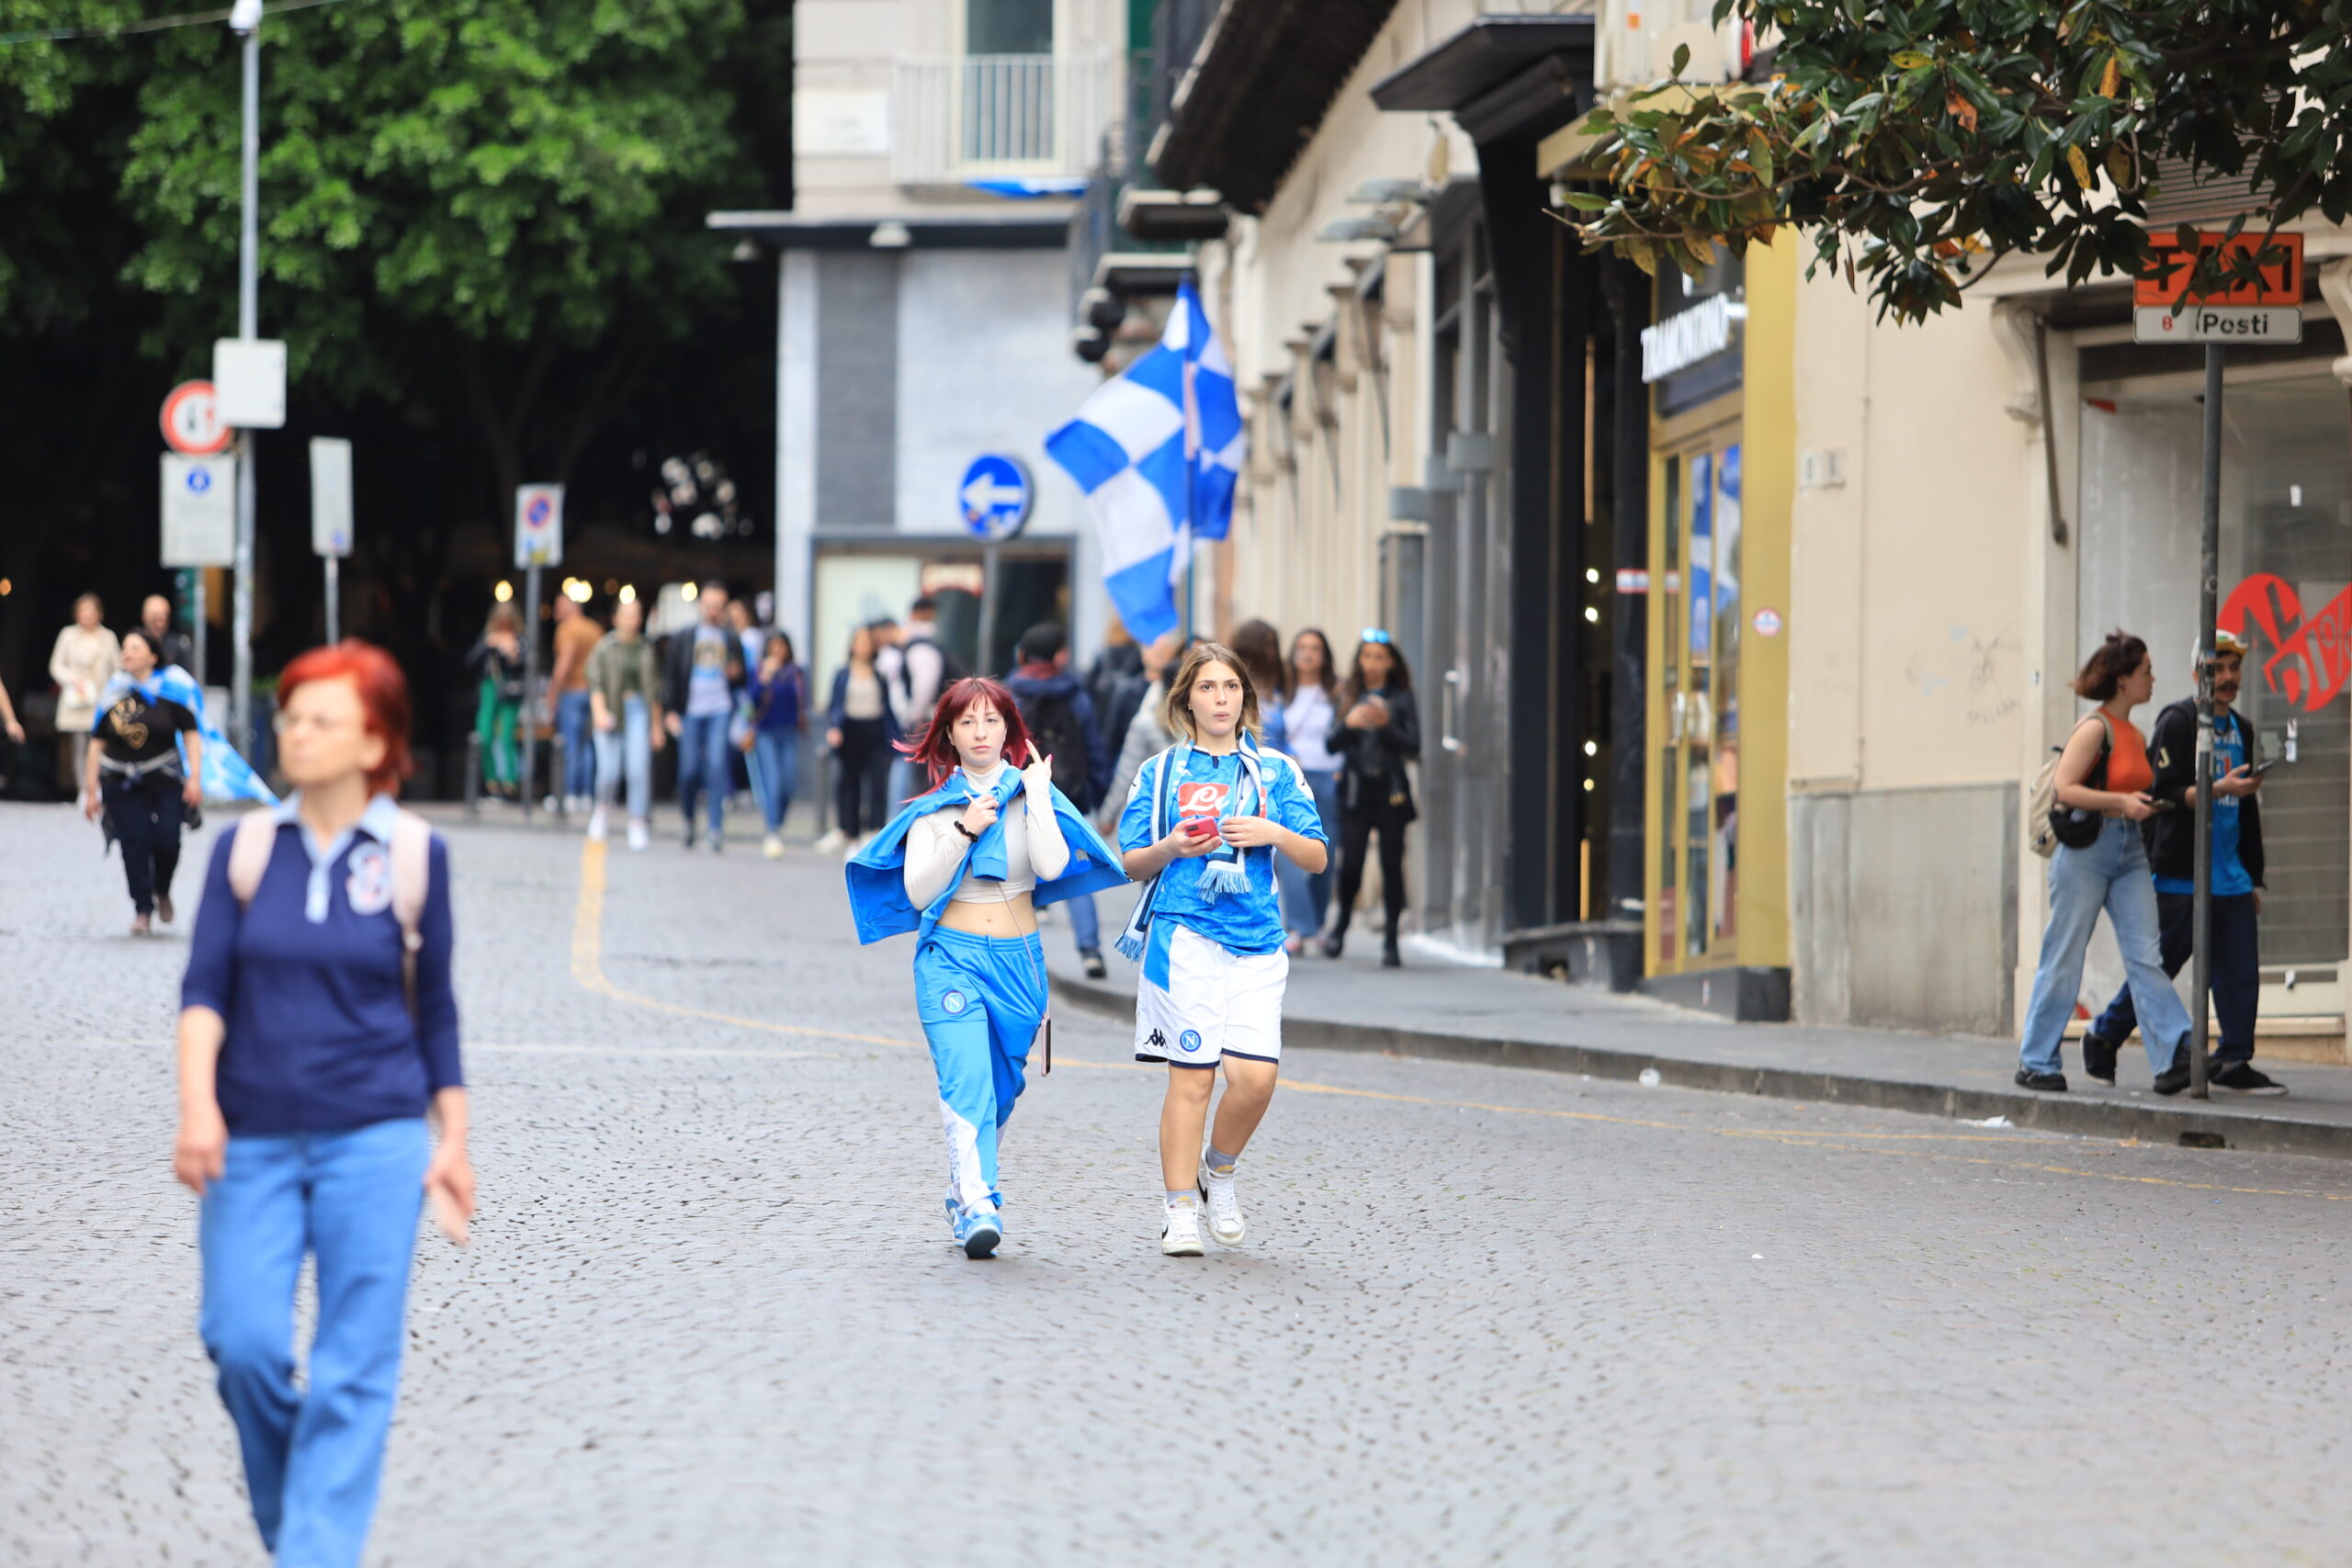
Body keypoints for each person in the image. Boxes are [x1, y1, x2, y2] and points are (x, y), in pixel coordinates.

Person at [175, 639, 473, 1568]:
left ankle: (312, 1554)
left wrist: (452, 1139)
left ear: (375, 741)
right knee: (243, 1340)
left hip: (375, 1141)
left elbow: (438, 1010)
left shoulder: (417, 856)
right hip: (251, 1139)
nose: (296, 734)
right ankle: (297, 1529)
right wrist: (197, 1106)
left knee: (353, 1368)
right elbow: (204, 991)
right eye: (291, 717)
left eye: (321, 720)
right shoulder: (246, 849)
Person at [843, 677, 1126, 1257]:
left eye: (992, 721)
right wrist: (965, 828)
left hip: (1021, 965)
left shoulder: (1031, 792)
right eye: (968, 722)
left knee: (1002, 1088)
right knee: (967, 1078)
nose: (980, 732)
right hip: (951, 959)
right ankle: (978, 1202)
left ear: (1010, 730)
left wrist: (1041, 794)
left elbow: (1050, 866)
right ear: (949, 733)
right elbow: (920, 891)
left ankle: (961, 1186)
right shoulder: (934, 810)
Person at [1117, 642, 1329, 1258]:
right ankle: (1179, 1207)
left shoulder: (1276, 771)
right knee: (1193, 1078)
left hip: (1259, 940)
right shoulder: (1161, 772)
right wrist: (1171, 847)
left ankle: (1220, 1170)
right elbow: (1131, 861)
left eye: (1230, 688)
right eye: (1207, 688)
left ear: (1245, 698)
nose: (1220, 698)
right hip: (1184, 937)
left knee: (1256, 1080)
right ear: (1186, 699)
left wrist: (1272, 832)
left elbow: (1316, 857)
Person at [2077, 631, 2284, 1095]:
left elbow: (2245, 810)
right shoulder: (2179, 720)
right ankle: (2105, 1034)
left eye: (2234, 669)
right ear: (2199, 674)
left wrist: (2251, 875)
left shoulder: (2243, 729)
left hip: (2231, 874)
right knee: (2161, 966)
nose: (2228, 678)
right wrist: (2218, 789)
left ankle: (2233, 1058)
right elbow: (2163, 795)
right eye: (2218, 669)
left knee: (2239, 970)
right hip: (2182, 872)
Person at [2015, 631, 2199, 1095]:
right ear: (2122, 681)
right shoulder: (2094, 728)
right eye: (2145, 672)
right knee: (2064, 955)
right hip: (2086, 851)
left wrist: (2146, 805)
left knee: (2146, 955)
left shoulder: (2136, 733)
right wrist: (2120, 800)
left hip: (2130, 848)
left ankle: (2176, 1053)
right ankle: (2037, 1061)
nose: (2152, 680)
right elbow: (2063, 789)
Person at [1004, 621, 1114, 977]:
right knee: (1075, 870)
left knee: (1015, 875)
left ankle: (1017, 957)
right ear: (1058, 655)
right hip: (1068, 794)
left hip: (1020, 792)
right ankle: (1090, 950)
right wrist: (1097, 793)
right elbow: (1094, 748)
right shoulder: (1075, 694)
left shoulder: (1010, 694)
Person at [83, 627, 204, 935]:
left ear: (152, 655)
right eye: (125, 648)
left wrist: (195, 779)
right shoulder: (114, 692)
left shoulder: (174, 690)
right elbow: (96, 743)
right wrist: (90, 789)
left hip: (165, 776)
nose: (127, 654)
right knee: (133, 842)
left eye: (135, 648)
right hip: (119, 778)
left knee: (167, 839)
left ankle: (161, 888)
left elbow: (191, 736)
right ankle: (142, 909)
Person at [1323, 630, 1420, 968]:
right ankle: (1341, 924)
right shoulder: (1348, 694)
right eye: (1367, 656)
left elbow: (1414, 747)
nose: (1373, 663)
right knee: (1351, 864)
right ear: (1359, 660)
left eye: (1380, 657)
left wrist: (1385, 725)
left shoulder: (1402, 697)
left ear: (1390, 661)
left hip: (1391, 791)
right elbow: (1330, 744)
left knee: (1392, 865)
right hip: (1354, 791)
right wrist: (1350, 723)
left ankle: (1392, 937)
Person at [1274, 628, 1344, 954]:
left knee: (1323, 853)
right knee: (1289, 853)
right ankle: (1299, 926)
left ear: (1325, 655)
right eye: (1301, 647)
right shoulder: (1281, 692)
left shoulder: (1336, 693)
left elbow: (1345, 735)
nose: (1307, 653)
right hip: (1290, 778)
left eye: (1315, 648)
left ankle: (1316, 923)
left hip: (1328, 778)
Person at [662, 582, 746, 851]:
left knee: (717, 766)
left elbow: (742, 676)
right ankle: (688, 819)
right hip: (690, 711)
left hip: (719, 709)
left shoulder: (731, 638)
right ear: (701, 605)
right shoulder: (684, 637)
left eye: (718, 606)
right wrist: (670, 711)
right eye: (709, 605)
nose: (713, 611)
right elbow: (671, 677)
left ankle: (715, 828)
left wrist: (735, 675)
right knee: (688, 770)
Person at [585, 596, 665, 851]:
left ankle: (637, 821)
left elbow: (653, 690)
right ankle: (602, 810)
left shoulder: (645, 648)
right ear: (616, 617)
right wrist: (599, 712)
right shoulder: (606, 647)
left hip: (638, 710)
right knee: (609, 771)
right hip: (611, 710)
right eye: (628, 614)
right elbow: (595, 681)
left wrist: (656, 726)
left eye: (637, 613)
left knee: (638, 769)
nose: (633, 619)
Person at [822, 623, 899, 854]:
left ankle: (874, 831)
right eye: (860, 641)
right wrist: (834, 728)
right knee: (849, 783)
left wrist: (897, 737)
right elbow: (834, 706)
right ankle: (851, 834)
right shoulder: (843, 674)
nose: (864, 646)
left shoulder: (880, 675)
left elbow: (887, 709)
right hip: (851, 730)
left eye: (868, 642)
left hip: (875, 730)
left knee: (877, 783)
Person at [884, 596, 965, 806]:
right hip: (931, 718)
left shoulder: (920, 647)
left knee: (924, 779)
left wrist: (915, 716)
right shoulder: (925, 644)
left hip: (929, 720)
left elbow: (924, 684)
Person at [1100, 630, 1185, 828]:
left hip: (1154, 811)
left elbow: (1126, 769)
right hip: (1169, 810)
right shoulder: (1130, 695)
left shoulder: (1148, 719)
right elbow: (1115, 750)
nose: (1157, 652)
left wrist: (1107, 815)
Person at [50, 592, 121, 793]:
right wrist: (72, 680)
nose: (86, 615)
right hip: (76, 698)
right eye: (82, 611)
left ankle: (99, 786)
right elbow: (56, 665)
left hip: (100, 698)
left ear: (99, 614)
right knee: (79, 745)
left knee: (100, 744)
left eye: (90, 611)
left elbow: (117, 668)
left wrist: (113, 691)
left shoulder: (108, 637)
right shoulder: (68, 635)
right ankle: (83, 788)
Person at [747, 629, 808, 859]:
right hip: (765, 733)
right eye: (773, 647)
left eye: (781, 647)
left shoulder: (796, 673)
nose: (778, 652)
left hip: (789, 732)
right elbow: (750, 701)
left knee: (788, 782)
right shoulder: (758, 670)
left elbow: (803, 702)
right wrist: (764, 679)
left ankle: (778, 820)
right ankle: (772, 830)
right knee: (771, 782)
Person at [548, 592, 604, 816]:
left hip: (572, 691)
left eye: (560, 607)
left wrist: (552, 692)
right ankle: (586, 795)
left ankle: (569, 793)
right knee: (588, 746)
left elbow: (565, 661)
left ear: (572, 607)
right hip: (593, 693)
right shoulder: (594, 629)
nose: (555, 612)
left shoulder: (568, 629)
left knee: (569, 744)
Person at [466, 603, 526, 802]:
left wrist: (513, 654)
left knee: (507, 737)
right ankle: (492, 783)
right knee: (484, 735)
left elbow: (528, 666)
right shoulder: (488, 636)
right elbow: (470, 661)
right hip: (489, 687)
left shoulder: (521, 639)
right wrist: (488, 645)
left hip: (509, 691)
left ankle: (510, 784)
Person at [1228, 618, 1290, 753]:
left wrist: (1292, 755)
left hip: (1275, 765)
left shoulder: (1277, 687)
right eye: (1266, 645)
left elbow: (1282, 738)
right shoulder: (1231, 687)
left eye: (1274, 645)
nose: (1271, 652)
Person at [142, 592, 198, 678]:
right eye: (155, 619)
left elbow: (188, 678)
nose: (159, 624)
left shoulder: (179, 643)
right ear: (145, 617)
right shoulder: (136, 643)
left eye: (163, 619)